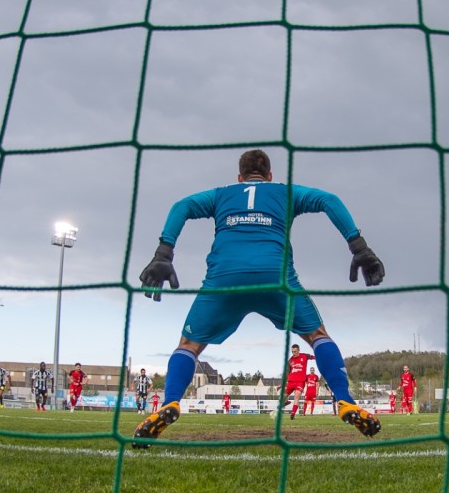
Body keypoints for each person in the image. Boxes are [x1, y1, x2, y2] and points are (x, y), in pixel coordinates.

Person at [133, 148, 385, 447]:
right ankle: (344, 402)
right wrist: (359, 247)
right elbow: (329, 200)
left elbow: (182, 206)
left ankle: (169, 404)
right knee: (317, 336)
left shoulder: (221, 194)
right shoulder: (285, 193)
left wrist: (164, 253)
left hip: (225, 280)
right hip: (274, 278)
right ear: (270, 176)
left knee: (189, 345)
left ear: (239, 177)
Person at [285, 344, 315, 419]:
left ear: (299, 350)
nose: (293, 353)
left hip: (300, 382)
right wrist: (287, 381)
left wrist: (320, 357)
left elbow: (313, 357)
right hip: (291, 382)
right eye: (292, 352)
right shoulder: (290, 360)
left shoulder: (304, 356)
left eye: (295, 351)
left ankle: (292, 414)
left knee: (297, 396)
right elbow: (287, 372)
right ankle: (286, 402)